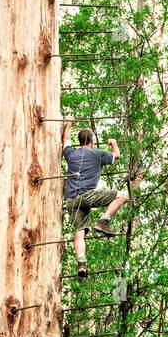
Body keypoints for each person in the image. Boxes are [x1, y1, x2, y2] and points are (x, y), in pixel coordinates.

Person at [61, 118, 136, 279]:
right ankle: (103, 220)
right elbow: (117, 156)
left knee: (79, 232)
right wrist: (113, 143)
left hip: (71, 200)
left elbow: (66, 140)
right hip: (87, 196)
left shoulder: (70, 154)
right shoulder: (97, 154)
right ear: (93, 141)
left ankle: (81, 262)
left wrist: (68, 124)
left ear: (80, 140)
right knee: (122, 195)